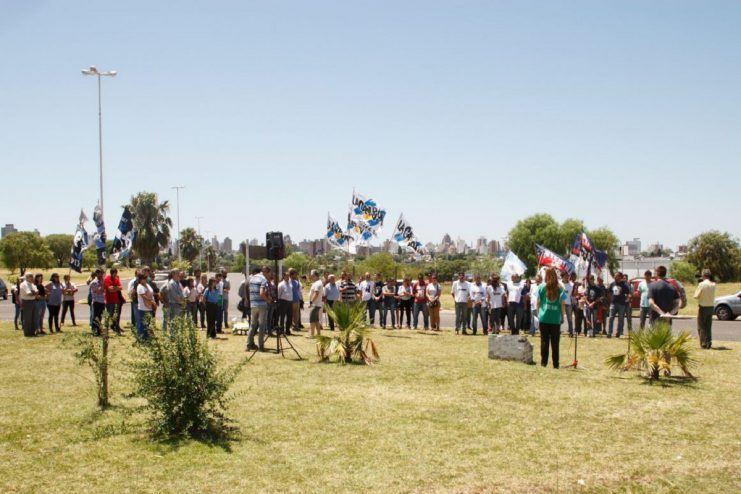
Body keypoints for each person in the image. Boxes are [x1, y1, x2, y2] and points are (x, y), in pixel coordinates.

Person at [537, 268, 565, 369]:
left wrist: (538, 314)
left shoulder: (541, 287)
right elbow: (562, 304)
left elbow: (538, 302)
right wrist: (563, 316)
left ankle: (543, 363)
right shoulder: (560, 288)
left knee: (544, 341)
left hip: (543, 317)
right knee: (555, 342)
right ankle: (555, 364)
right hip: (555, 318)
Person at [246, 266, 270, 351]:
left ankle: (248, 345)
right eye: (268, 273)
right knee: (262, 326)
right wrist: (268, 300)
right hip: (262, 305)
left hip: (253, 304)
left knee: (252, 326)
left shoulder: (252, 279)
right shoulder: (263, 280)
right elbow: (262, 293)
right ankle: (261, 346)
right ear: (266, 272)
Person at [694, 269, 716, 349]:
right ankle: (709, 342)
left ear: (703, 275)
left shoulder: (701, 284)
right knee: (708, 325)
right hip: (711, 307)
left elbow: (696, 296)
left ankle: (703, 343)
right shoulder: (713, 284)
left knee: (701, 326)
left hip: (703, 307)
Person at [608, 272, 631, 338]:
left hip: (621, 304)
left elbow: (629, 293)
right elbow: (609, 292)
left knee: (621, 319)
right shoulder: (612, 284)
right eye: (614, 276)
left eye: (616, 276)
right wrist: (610, 300)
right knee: (611, 318)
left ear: (620, 277)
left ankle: (620, 332)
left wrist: (627, 299)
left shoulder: (624, 285)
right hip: (613, 304)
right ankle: (609, 332)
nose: (615, 277)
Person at [103, 268, 125, 335]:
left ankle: (117, 330)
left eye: (116, 273)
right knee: (109, 315)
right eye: (114, 274)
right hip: (109, 301)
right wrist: (116, 288)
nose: (115, 275)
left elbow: (121, 287)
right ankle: (106, 330)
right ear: (111, 273)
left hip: (116, 300)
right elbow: (109, 289)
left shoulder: (116, 279)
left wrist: (114, 288)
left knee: (116, 316)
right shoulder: (107, 279)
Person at [135, 273, 155, 340]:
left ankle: (147, 337)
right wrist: (151, 301)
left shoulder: (147, 285)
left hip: (149, 307)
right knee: (143, 324)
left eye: (146, 278)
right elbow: (144, 297)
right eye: (144, 278)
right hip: (143, 308)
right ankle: (142, 338)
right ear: (140, 279)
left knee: (148, 324)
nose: (146, 279)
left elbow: (151, 293)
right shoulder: (140, 287)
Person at [20, 273, 38, 337]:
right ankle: (27, 333)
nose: (32, 278)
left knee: (34, 317)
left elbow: (37, 291)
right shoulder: (24, 284)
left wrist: (33, 292)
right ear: (27, 277)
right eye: (30, 276)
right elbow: (29, 293)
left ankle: (33, 332)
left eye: (32, 276)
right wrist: (34, 292)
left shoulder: (32, 284)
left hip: (33, 301)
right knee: (27, 318)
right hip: (27, 302)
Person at [89, 270, 106, 336]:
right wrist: (102, 286)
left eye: (102, 273)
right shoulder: (94, 282)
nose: (101, 275)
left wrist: (102, 286)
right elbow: (98, 291)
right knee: (95, 317)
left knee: (100, 317)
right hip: (96, 302)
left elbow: (104, 290)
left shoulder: (102, 281)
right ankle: (94, 331)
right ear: (96, 274)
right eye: (100, 274)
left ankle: (99, 331)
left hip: (102, 301)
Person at [307, 269, 324, 338]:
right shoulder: (317, 282)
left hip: (315, 304)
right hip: (317, 304)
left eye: (311, 275)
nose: (311, 277)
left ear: (314, 275)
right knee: (316, 320)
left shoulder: (317, 283)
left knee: (312, 319)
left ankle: (312, 334)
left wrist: (311, 302)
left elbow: (316, 293)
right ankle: (318, 334)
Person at [561, 272, 574, 336]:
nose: (567, 277)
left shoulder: (571, 284)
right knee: (560, 318)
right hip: (560, 303)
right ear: (562, 276)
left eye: (568, 276)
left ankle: (571, 332)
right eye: (565, 276)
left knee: (570, 318)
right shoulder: (559, 283)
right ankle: (558, 330)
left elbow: (571, 294)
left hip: (568, 303)